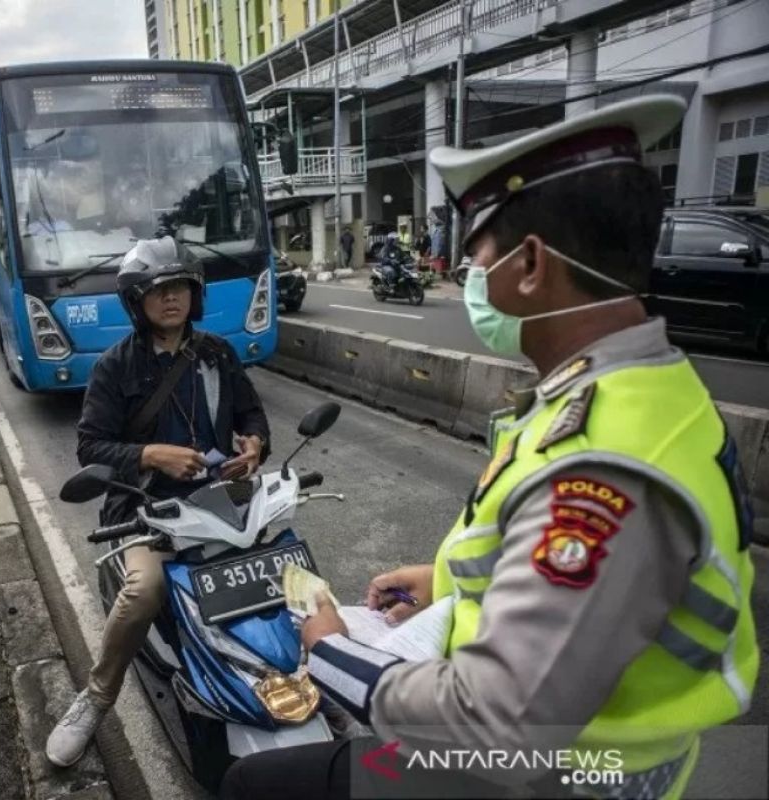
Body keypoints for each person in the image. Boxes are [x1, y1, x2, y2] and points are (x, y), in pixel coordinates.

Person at [221, 95, 758, 800]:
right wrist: (446, 579)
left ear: (531, 264)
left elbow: (493, 725)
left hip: (559, 777)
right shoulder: (632, 389)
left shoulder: (603, 464)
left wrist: (329, 651)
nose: (467, 273)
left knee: (256, 787)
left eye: (477, 254)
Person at [45, 237, 271, 767]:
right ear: (137, 300)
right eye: (159, 290)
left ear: (195, 295)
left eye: (181, 289)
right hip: (147, 513)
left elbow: (252, 416)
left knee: (281, 567)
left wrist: (255, 445)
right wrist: (150, 455)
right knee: (144, 590)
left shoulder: (218, 353)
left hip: (221, 502)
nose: (171, 299)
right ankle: (97, 697)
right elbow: (90, 447)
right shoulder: (114, 366)